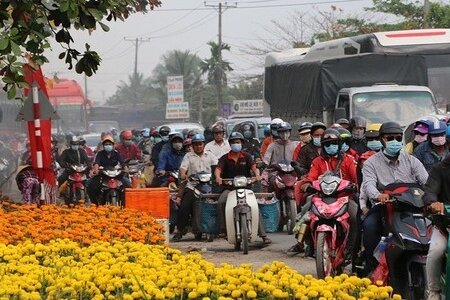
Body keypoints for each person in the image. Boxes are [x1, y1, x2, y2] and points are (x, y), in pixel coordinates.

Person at [361, 121, 428, 276]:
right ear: (382, 140)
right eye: (390, 138)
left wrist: (431, 197)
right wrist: (378, 195)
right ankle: (372, 267)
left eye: (398, 138)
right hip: (384, 206)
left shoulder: (411, 160)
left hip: (412, 206)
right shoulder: (371, 163)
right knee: (370, 225)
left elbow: (426, 182)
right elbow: (369, 185)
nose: (394, 142)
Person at [214, 132, 271, 244]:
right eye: (234, 142)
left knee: (254, 206)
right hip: (229, 188)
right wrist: (218, 177)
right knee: (221, 202)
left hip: (246, 188)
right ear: (230, 144)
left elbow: (254, 167)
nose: (236, 144)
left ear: (242, 144)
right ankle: (223, 229)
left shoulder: (247, 156)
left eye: (238, 142)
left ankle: (263, 235)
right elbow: (218, 169)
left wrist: (257, 175)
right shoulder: (224, 158)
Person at [173, 134, 218, 241]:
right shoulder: (188, 156)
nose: (198, 147)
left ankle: (219, 228)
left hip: (209, 186)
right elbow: (183, 168)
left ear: (204, 145)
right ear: (193, 146)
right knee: (184, 206)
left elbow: (217, 167)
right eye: (196, 145)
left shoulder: (210, 155)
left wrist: (217, 175)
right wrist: (183, 174)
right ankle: (180, 230)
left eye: (200, 144)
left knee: (217, 205)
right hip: (193, 186)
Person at [422, 151, 450, 300]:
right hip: (445, 225)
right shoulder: (439, 169)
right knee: (436, 251)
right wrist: (433, 203)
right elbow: (430, 191)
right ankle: (434, 291)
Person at [87, 135, 130, 205]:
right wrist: (96, 170)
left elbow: (122, 163)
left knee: (127, 183)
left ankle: (125, 203)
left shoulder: (116, 154)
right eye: (106, 144)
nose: (108, 146)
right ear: (103, 146)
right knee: (90, 184)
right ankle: (95, 203)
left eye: (109, 144)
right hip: (103, 173)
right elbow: (96, 163)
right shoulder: (100, 154)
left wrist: (125, 168)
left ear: (113, 145)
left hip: (115, 173)